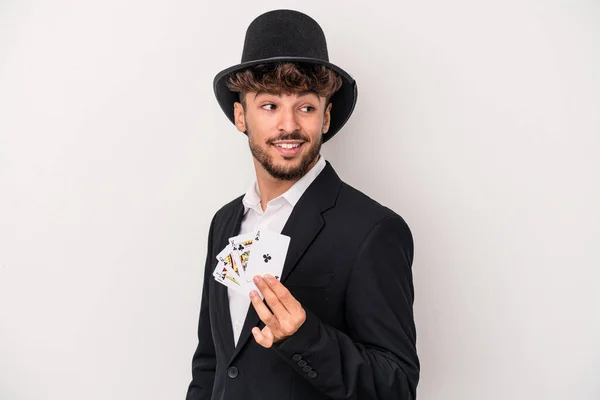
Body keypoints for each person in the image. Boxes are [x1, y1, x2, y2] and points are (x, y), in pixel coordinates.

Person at [186, 9, 419, 400]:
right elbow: (212, 363)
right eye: (269, 106)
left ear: (326, 117)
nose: (289, 125)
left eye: (306, 107)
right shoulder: (225, 222)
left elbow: (396, 386)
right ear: (241, 116)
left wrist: (304, 336)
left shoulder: (373, 230)